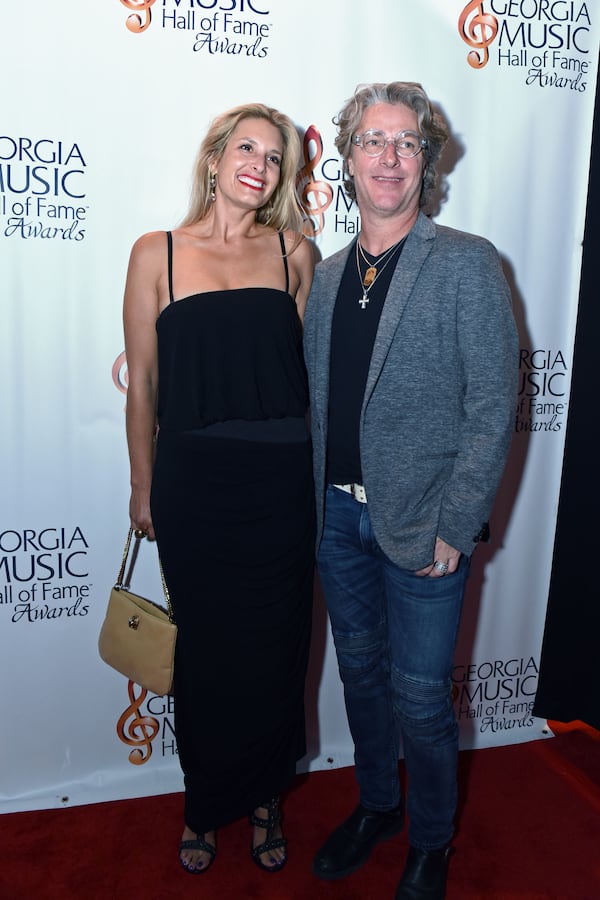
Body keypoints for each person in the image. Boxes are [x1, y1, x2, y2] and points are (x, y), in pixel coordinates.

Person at [303, 82, 518, 900]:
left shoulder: (465, 261)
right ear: (347, 161)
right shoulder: (325, 277)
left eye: (406, 144)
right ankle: (376, 806)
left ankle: (431, 839)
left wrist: (458, 524)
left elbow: (493, 403)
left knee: (424, 700)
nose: (388, 157)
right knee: (359, 676)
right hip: (334, 517)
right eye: (372, 141)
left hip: (426, 525)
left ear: (426, 163)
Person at [122, 102, 315, 876]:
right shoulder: (156, 253)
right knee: (202, 653)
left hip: (282, 481)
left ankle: (266, 796)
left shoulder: (295, 252)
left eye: (273, 159)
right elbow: (142, 388)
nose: (259, 166)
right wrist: (143, 486)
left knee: (276, 649)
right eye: (247, 149)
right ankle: (204, 799)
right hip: (193, 482)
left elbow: (308, 381)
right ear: (214, 158)